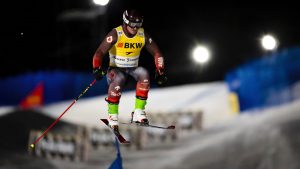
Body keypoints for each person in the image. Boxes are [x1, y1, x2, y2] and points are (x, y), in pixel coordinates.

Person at [92, 9, 167, 130]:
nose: (135, 28)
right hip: (116, 68)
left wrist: (160, 70)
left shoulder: (142, 34)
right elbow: (99, 52)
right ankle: (112, 115)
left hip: (133, 67)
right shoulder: (116, 33)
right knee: (119, 79)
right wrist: (96, 67)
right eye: (132, 24)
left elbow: (157, 52)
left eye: (138, 24)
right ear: (126, 22)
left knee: (144, 73)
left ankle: (138, 112)